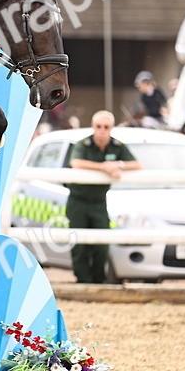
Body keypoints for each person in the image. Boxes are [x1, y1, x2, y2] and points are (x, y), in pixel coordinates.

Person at [66, 111, 141, 283]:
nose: (101, 131)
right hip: (78, 201)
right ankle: (83, 281)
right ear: (93, 127)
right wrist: (104, 167)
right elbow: (76, 163)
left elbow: (137, 165)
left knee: (102, 245)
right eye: (98, 127)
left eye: (106, 127)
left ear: (111, 128)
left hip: (99, 202)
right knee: (79, 245)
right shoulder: (83, 144)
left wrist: (118, 164)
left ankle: (99, 281)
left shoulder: (117, 146)